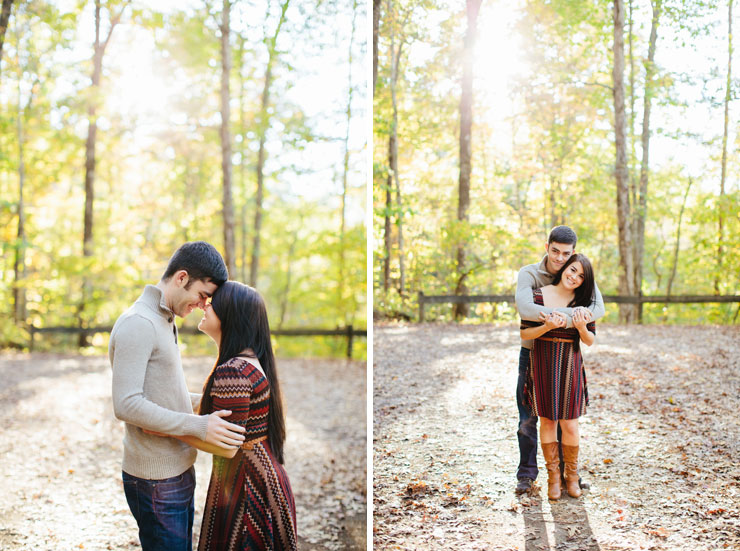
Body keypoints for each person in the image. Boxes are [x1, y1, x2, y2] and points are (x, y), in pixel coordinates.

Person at [110, 241, 247, 551]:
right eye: (201, 295)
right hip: (155, 479)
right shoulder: (139, 323)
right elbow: (127, 403)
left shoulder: (163, 319)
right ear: (182, 277)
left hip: (177, 469)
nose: (202, 305)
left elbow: (160, 393)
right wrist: (199, 426)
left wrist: (210, 401)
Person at [148, 281, 298, 550]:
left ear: (231, 315)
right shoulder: (250, 360)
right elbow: (220, 413)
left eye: (211, 303)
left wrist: (169, 429)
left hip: (246, 485)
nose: (204, 306)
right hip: (261, 475)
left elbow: (227, 446)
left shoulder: (234, 370)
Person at [513, 226, 604, 495]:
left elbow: (597, 309)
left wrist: (575, 320)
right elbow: (526, 309)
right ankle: (528, 475)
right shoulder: (530, 274)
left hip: (567, 355)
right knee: (530, 417)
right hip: (533, 352)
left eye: (566, 254)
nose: (560, 258)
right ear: (547, 247)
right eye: (555, 251)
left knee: (567, 417)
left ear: (573, 253)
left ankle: (567, 474)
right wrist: (567, 317)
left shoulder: (578, 271)